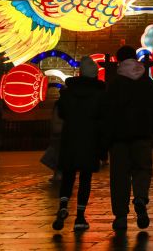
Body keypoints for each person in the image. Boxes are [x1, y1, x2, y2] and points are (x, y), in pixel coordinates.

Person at [103, 45, 153, 231]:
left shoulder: (114, 84)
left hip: (119, 139)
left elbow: (107, 113)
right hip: (142, 136)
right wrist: (150, 129)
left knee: (119, 176)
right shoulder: (147, 83)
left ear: (119, 61)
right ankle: (140, 197)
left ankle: (121, 216)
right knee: (143, 169)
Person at [53, 57, 106, 231]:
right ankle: (80, 218)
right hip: (90, 140)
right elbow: (102, 121)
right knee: (85, 178)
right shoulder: (100, 95)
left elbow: (61, 113)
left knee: (68, 175)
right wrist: (103, 148)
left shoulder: (67, 93)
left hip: (70, 138)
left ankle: (63, 205)